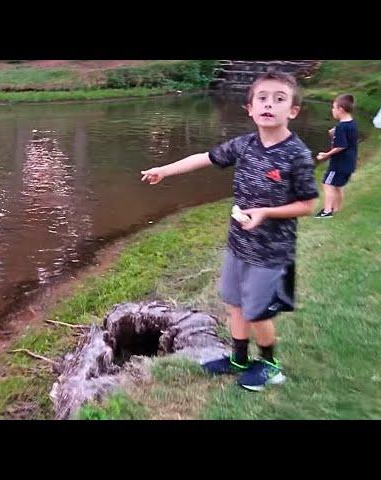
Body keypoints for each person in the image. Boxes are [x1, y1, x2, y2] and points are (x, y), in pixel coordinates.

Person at [141, 70, 318, 391]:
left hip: (271, 252)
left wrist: (265, 212)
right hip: (238, 244)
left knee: (257, 311)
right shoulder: (244, 144)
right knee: (235, 303)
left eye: (279, 99)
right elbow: (204, 157)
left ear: (292, 111)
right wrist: (164, 170)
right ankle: (238, 358)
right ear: (250, 108)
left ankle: (269, 364)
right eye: (262, 99)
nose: (269, 105)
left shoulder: (298, 155)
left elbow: (307, 204)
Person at [315, 94, 358, 218]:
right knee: (338, 186)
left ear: (341, 109)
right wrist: (334, 132)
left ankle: (327, 211)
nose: (332, 110)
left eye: (334, 108)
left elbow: (341, 146)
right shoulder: (351, 123)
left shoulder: (341, 127)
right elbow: (347, 136)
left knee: (327, 184)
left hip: (339, 164)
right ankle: (337, 209)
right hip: (349, 162)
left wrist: (326, 155)